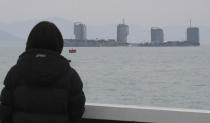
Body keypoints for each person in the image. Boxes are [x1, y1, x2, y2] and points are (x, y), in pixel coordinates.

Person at [0, 21, 85, 123]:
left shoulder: (14, 73)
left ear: (30, 42)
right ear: (58, 44)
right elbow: (77, 112)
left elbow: (5, 111)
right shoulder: (71, 76)